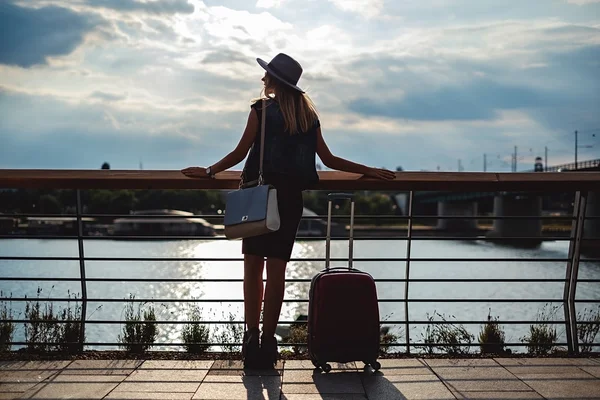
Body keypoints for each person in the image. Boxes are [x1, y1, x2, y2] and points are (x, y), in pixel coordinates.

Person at [181, 53, 395, 369]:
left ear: (273, 81)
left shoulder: (261, 111)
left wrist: (210, 171)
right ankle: (269, 342)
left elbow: (240, 154)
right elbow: (330, 160)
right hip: (290, 200)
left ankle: (251, 340)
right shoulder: (308, 117)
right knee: (277, 270)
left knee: (252, 268)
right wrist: (369, 170)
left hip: (259, 196)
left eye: (266, 74)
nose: (262, 78)